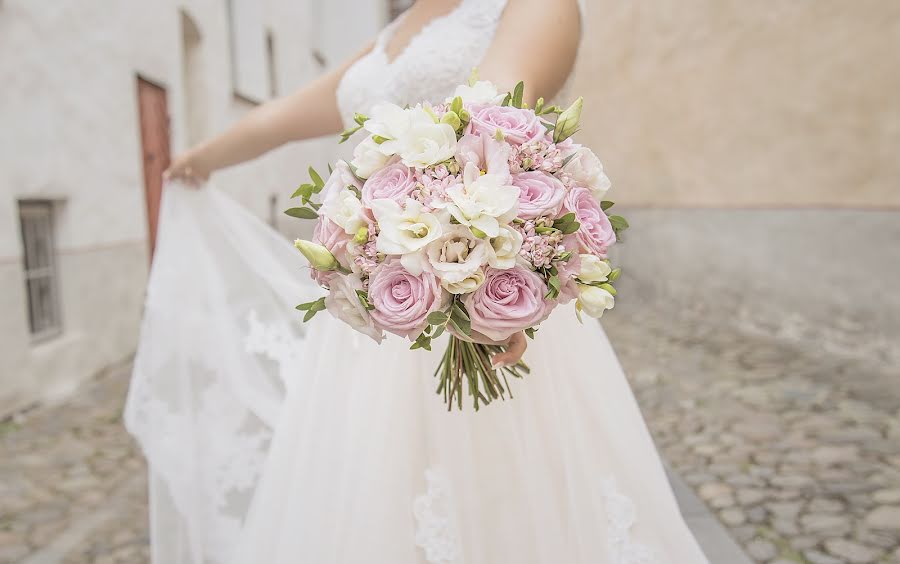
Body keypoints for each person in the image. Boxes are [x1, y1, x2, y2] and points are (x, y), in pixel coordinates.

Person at [127, 1, 711, 562]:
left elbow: (487, 125)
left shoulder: (532, 6)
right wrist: (199, 159)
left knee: (496, 503)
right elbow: (283, 115)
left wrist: (481, 282)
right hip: (376, 319)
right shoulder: (395, 31)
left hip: (482, 295)